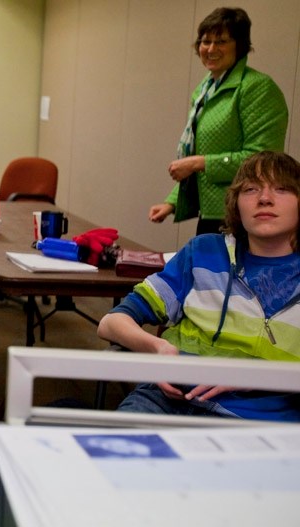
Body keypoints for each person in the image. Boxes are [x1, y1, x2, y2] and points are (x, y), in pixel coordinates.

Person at [99, 151, 300, 422]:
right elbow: (111, 322)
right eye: (251, 189)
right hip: (167, 401)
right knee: (109, 457)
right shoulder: (203, 252)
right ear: (236, 204)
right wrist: (158, 350)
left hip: (255, 418)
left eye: (282, 189)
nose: (264, 198)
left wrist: (253, 375)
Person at [148, 7, 288, 236]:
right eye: (206, 41)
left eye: (221, 41)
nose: (211, 49)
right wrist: (172, 202)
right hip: (212, 214)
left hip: (243, 216)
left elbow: (262, 159)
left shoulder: (257, 88)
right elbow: (203, 152)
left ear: (240, 45)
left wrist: (198, 163)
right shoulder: (205, 90)